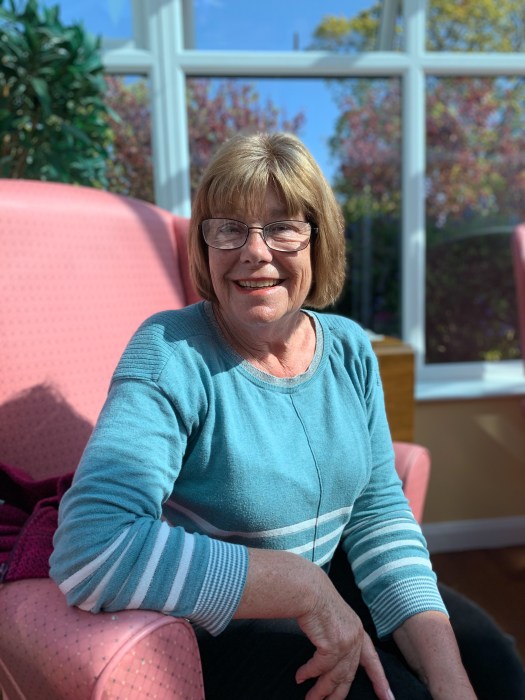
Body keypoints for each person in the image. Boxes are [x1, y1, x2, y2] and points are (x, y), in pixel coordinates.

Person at [50, 132, 525, 700]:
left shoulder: (349, 347)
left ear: (318, 241)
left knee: (494, 668)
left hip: (329, 577)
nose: (255, 251)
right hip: (225, 624)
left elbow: (376, 513)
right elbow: (90, 548)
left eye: (282, 227)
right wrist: (302, 586)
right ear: (204, 245)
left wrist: (450, 677)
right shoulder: (168, 352)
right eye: (229, 228)